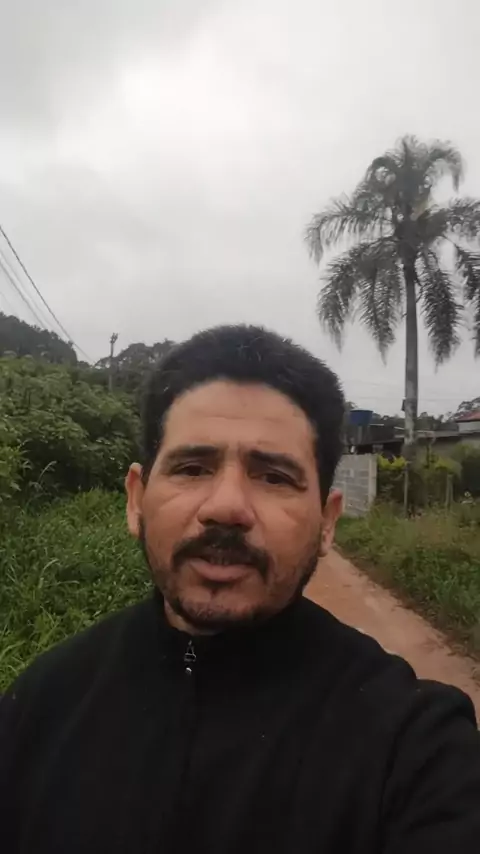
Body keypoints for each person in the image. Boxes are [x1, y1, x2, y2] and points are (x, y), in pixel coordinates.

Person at [1, 324, 479, 853]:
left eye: (274, 477)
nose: (226, 507)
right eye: (192, 468)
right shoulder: (41, 705)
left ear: (327, 522)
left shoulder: (414, 747)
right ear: (136, 500)